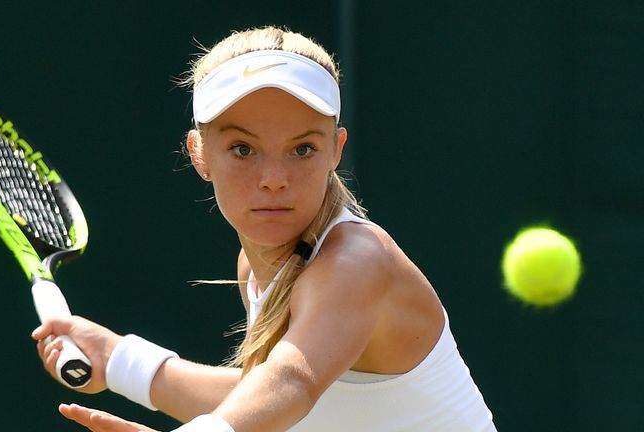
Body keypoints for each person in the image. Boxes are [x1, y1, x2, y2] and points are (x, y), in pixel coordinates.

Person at [31, 26, 497, 432]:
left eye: (302, 149)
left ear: (336, 151)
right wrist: (119, 361)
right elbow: (270, 409)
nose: (273, 177)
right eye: (242, 148)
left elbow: (293, 383)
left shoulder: (356, 262)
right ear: (199, 153)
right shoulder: (254, 268)